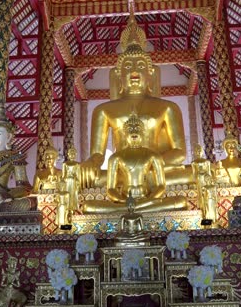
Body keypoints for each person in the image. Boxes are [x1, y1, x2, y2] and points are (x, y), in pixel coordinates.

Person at [80, 12, 190, 213]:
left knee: (192, 173)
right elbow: (97, 154)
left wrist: (149, 166)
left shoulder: (167, 107)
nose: (134, 72)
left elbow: (180, 153)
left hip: (157, 171)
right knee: (85, 179)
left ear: (151, 74)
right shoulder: (103, 110)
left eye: (140, 66)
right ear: (118, 76)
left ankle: (121, 208)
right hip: (120, 173)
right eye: (127, 67)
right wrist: (89, 163)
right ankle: (147, 205)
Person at [107, 112, 166, 204]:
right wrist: (122, 200)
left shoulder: (153, 155)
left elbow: (161, 185)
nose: (134, 132)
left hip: (147, 200)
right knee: (89, 206)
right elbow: (110, 188)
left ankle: (140, 207)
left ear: (143, 132)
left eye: (137, 129)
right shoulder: (115, 157)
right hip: (125, 201)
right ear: (125, 134)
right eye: (130, 129)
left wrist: (149, 200)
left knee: (181, 202)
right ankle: (138, 208)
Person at [0, 103, 33, 212]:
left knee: (26, 203)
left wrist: (7, 195)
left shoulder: (14, 157)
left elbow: (24, 187)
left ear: (8, 136)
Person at [191, 144, 212, 211]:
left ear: (202, 151)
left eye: (200, 150)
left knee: (207, 193)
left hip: (206, 179)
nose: (198, 152)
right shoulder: (194, 163)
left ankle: (208, 207)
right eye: (196, 151)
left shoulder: (206, 162)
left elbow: (209, 172)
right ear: (194, 152)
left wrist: (210, 180)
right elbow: (194, 173)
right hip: (199, 179)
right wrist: (194, 181)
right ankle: (201, 206)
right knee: (200, 193)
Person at [62, 146, 80, 213]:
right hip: (67, 181)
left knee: (73, 195)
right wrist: (62, 184)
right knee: (67, 195)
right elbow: (63, 175)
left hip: (73, 181)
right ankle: (67, 208)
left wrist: (79, 185)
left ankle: (73, 208)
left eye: (74, 154)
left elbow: (78, 175)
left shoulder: (77, 164)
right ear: (68, 154)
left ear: (76, 155)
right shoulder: (65, 164)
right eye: (71, 154)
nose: (72, 155)